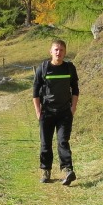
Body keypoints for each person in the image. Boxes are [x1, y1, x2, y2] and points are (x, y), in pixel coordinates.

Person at [32, 39, 79, 186]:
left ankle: (67, 170)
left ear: (65, 52)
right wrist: (38, 111)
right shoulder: (43, 68)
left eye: (61, 50)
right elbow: (35, 91)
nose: (59, 52)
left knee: (63, 141)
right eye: (56, 50)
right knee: (45, 143)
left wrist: (73, 108)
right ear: (51, 52)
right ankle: (46, 171)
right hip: (47, 112)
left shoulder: (69, 68)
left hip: (64, 112)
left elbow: (75, 89)